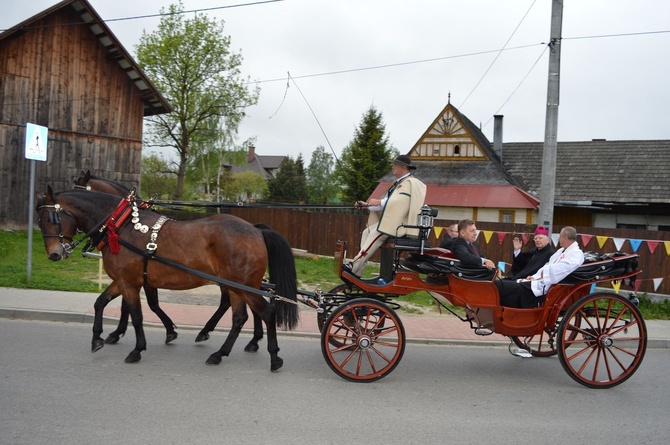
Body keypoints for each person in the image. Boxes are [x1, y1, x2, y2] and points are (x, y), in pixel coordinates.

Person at [346, 155, 427, 276]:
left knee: (375, 233)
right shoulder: (398, 183)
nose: (392, 167)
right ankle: (358, 272)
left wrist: (379, 202)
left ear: (403, 167)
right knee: (366, 232)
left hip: (400, 225)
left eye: (394, 165)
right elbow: (386, 203)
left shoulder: (410, 183)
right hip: (392, 223)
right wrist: (367, 205)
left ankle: (354, 264)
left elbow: (400, 203)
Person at [495, 226, 584, 308]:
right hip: (537, 280)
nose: (558, 239)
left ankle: (509, 314)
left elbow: (560, 269)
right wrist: (534, 277)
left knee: (501, 285)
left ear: (565, 238)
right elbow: (547, 265)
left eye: (540, 238)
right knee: (500, 284)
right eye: (536, 238)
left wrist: (538, 277)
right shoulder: (561, 251)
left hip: (545, 285)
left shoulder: (576, 253)